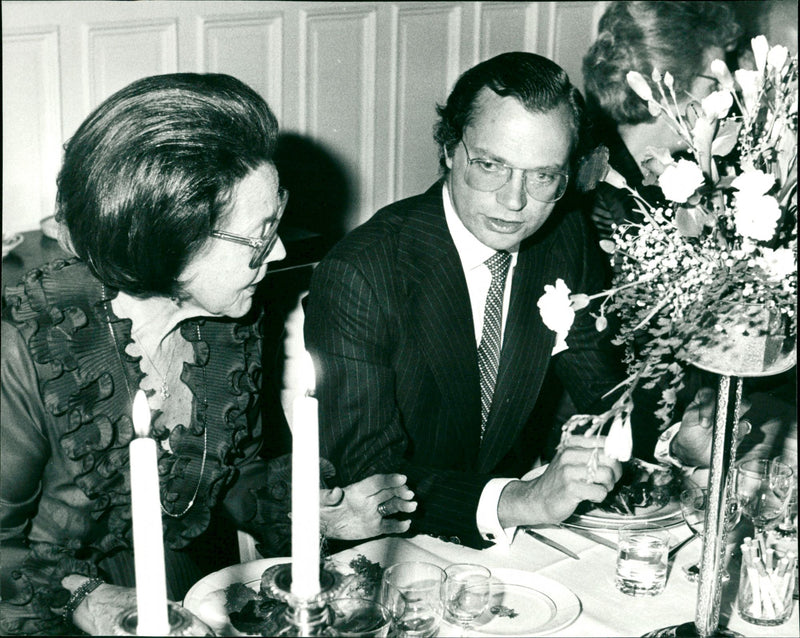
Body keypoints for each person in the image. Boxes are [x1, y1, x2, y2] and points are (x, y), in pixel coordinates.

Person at [0, 73, 416, 636]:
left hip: (182, 595)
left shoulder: (222, 323)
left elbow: (221, 481)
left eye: (278, 219)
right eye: (261, 233)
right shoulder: (29, 344)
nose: (283, 251)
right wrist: (86, 599)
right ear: (172, 237)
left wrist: (311, 511)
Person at [304, 52, 634, 551]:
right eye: (490, 165)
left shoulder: (564, 237)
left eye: (542, 176)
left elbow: (605, 392)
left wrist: (669, 435)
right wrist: (523, 500)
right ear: (449, 150)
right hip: (394, 552)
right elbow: (371, 476)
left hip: (514, 551)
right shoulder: (363, 273)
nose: (514, 200)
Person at [582, 1, 742, 243]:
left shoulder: (687, 167)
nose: (726, 96)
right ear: (668, 89)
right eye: (713, 83)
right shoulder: (600, 203)